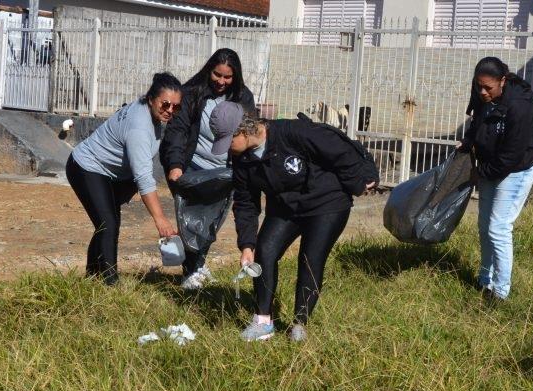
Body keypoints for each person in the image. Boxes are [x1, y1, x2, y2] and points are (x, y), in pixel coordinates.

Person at [208, 101, 378, 342]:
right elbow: (245, 202)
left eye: (228, 141)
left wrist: (363, 178)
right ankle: (263, 322)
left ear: (243, 131)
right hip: (286, 207)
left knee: (310, 258)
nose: (227, 149)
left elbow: (341, 148)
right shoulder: (242, 159)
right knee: (264, 251)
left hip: (326, 204)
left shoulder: (293, 133)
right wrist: (247, 244)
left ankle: (300, 324)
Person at [66, 72, 182, 285]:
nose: (170, 111)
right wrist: (160, 220)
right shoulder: (140, 126)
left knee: (106, 223)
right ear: (151, 99)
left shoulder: (152, 114)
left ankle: (93, 277)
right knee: (108, 223)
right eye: (165, 105)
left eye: (176, 107)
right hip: (87, 167)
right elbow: (144, 177)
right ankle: (111, 284)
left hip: (111, 174)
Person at [159, 48, 256, 290]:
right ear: (208, 70)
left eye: (227, 77)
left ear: (236, 77)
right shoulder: (191, 93)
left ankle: (198, 265)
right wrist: (175, 165)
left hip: (225, 172)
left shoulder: (243, 98)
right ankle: (191, 271)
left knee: (211, 222)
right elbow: (177, 133)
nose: (221, 82)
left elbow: (249, 133)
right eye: (217, 75)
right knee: (192, 222)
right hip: (192, 168)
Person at [457, 56, 533, 300]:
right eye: (479, 86)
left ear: (502, 81)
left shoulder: (519, 105)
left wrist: (479, 174)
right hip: (491, 163)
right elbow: (477, 121)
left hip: (518, 167)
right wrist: (469, 141)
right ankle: (485, 280)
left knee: (498, 227)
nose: (483, 92)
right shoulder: (482, 93)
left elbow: (511, 157)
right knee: (484, 226)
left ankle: (500, 292)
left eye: (488, 87)